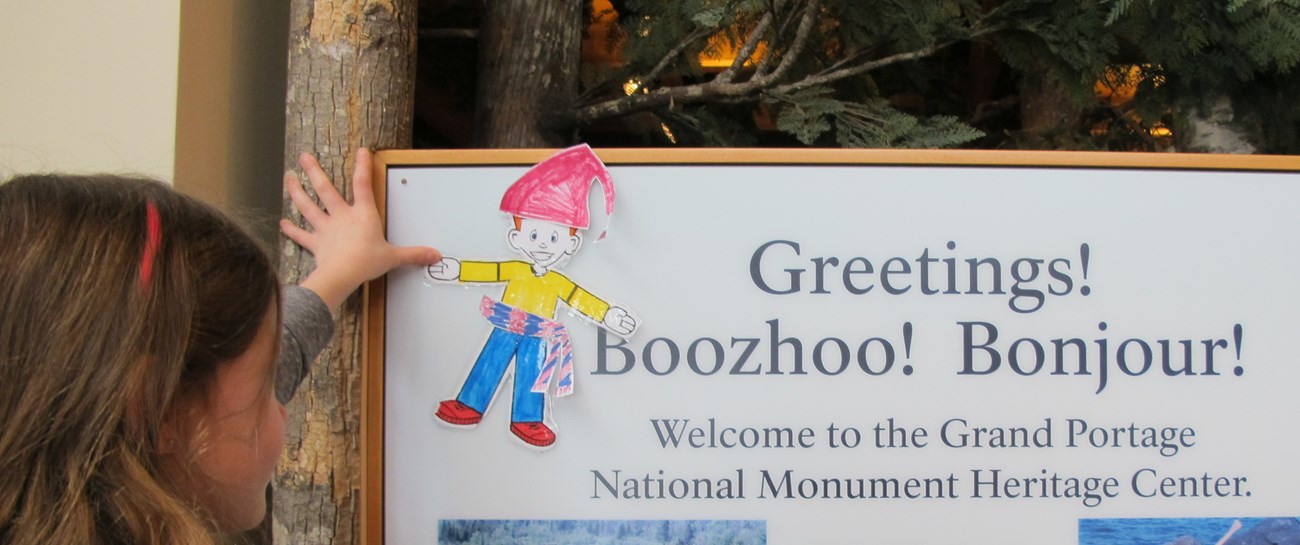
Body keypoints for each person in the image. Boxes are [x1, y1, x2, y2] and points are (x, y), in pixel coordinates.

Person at [0, 149, 438, 544]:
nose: (282, 406)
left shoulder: (145, 422)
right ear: (160, 407)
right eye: (266, 385)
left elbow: (259, 367)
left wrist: (340, 271)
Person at [427, 144, 637, 449]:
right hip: (504, 326)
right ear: (516, 238)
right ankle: (470, 403)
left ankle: (527, 418)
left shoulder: (558, 281)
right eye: (534, 235)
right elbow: (489, 271)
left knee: (533, 373)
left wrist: (608, 314)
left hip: (538, 336)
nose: (542, 245)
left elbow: (580, 299)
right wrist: (457, 270)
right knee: (490, 361)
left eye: (553, 237)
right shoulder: (515, 268)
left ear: (570, 245)